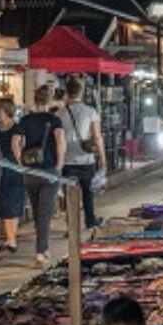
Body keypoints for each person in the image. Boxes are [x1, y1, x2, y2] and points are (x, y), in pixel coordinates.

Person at [18, 86, 67, 267]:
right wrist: (59, 165)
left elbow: (18, 143)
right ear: (50, 100)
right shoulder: (54, 120)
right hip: (48, 170)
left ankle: (42, 247)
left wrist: (20, 163)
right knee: (45, 212)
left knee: (37, 210)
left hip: (30, 171)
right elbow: (61, 141)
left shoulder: (25, 120)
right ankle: (41, 251)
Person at [58, 76, 106, 229]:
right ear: (82, 92)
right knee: (87, 193)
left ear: (67, 92)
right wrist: (103, 158)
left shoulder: (59, 114)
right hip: (86, 159)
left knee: (69, 195)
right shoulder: (90, 112)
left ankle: (71, 225)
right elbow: (97, 136)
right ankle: (90, 221)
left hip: (67, 160)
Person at [0, 98, 25, 253]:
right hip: (6, 168)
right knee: (8, 202)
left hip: (4, 168)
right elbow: (17, 148)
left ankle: (11, 239)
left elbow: (18, 147)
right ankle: (9, 239)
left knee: (8, 202)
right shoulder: (16, 128)